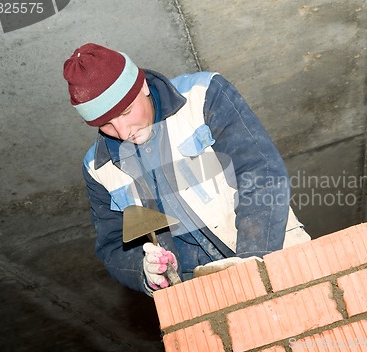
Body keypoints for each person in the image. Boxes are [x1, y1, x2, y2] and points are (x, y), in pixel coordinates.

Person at [63, 43, 310, 296]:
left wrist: (251, 262)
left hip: (273, 251)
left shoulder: (204, 95)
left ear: (143, 86)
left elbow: (261, 173)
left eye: (126, 112)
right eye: (107, 124)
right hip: (199, 292)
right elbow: (114, 245)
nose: (124, 132)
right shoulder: (97, 168)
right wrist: (144, 271)